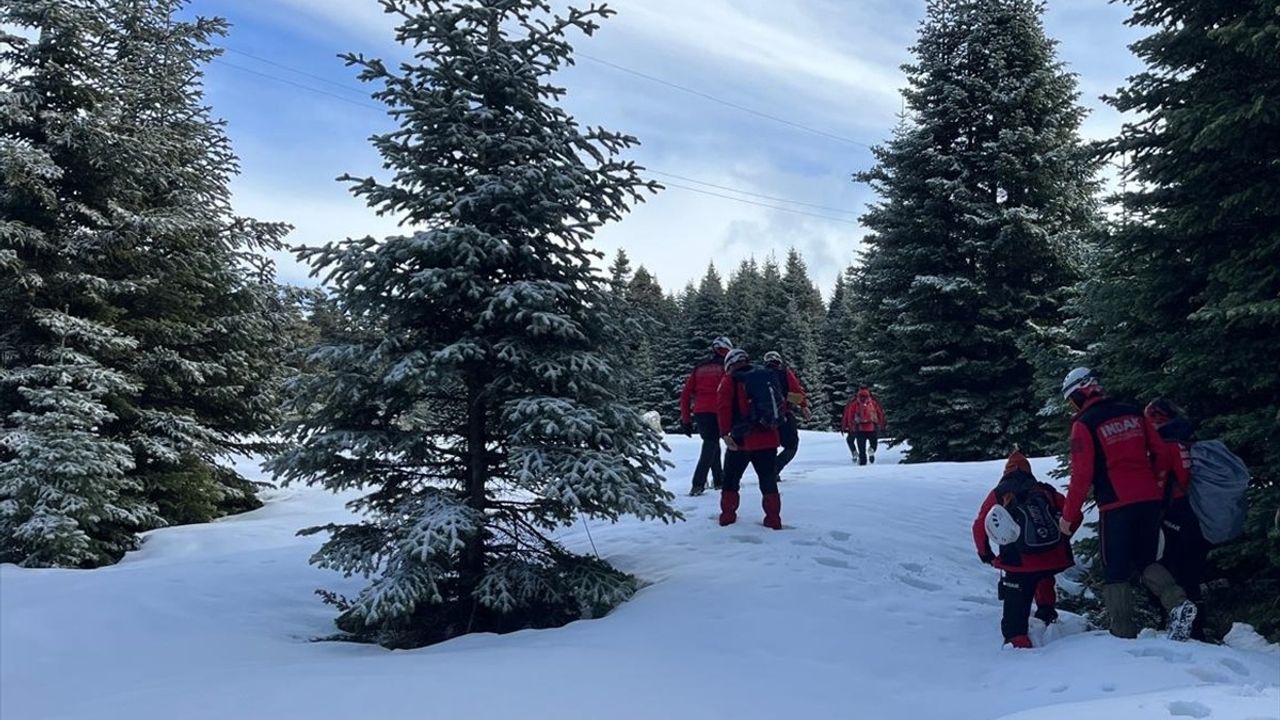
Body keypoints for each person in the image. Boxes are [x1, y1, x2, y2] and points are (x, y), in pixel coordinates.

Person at [1058, 368, 1197, 641]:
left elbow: (1081, 477)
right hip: (1149, 501)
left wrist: (1068, 518)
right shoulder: (1133, 412)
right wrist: (1152, 483)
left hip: (1115, 505)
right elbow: (1160, 453)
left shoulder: (1084, 424)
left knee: (1116, 570)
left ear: (1078, 393)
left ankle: (1122, 635)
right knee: (1147, 560)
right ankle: (1179, 604)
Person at [972, 451, 1073, 649]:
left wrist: (986, 554)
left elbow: (979, 526)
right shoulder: (1045, 491)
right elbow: (1073, 513)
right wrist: (1062, 538)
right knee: (1043, 578)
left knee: (1016, 602)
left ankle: (1017, 643)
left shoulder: (1000, 493)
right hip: (1052, 558)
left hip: (1018, 562)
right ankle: (1047, 616)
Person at [1145, 398, 1209, 640]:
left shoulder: (1164, 443)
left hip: (1172, 510)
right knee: (1190, 569)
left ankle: (1180, 623)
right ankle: (1198, 626)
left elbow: (1163, 479)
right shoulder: (1187, 438)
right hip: (1192, 510)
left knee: (1167, 566)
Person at [717, 349, 783, 530]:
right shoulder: (766, 376)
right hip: (768, 436)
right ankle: (773, 519)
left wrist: (725, 433)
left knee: (731, 478)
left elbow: (723, 408)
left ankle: (728, 516)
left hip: (741, 439)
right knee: (768, 479)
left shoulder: (731, 380)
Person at [679, 336, 733, 496]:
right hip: (719, 409)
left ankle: (718, 480)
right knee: (710, 444)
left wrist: (686, 419)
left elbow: (686, 393)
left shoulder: (700, 367)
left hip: (701, 411)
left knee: (712, 442)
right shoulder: (726, 367)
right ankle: (698, 483)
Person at [763, 351, 810, 480]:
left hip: (763, 418)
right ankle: (775, 469)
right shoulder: (784, 373)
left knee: (769, 446)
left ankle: (770, 471)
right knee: (791, 445)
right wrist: (803, 406)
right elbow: (796, 390)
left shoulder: (758, 374)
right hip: (784, 415)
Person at [841, 385, 886, 466]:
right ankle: (871, 450)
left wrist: (850, 427)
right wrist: (881, 425)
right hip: (871, 428)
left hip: (859, 429)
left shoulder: (854, 403)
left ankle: (862, 465)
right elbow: (880, 413)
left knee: (861, 450)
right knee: (873, 443)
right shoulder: (873, 402)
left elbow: (849, 416)